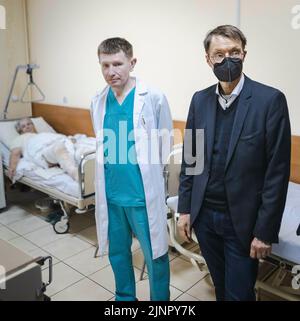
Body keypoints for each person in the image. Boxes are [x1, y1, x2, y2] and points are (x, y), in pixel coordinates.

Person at [177, 25, 291, 301]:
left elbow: (277, 172)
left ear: (244, 54)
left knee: (239, 295)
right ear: (208, 59)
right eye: (219, 54)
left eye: (234, 52)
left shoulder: (269, 100)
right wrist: (184, 208)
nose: (227, 59)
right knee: (220, 286)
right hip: (205, 217)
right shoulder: (200, 100)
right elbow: (191, 159)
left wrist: (265, 232)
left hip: (242, 221)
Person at [90, 37, 173, 301]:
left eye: (117, 64)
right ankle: (124, 299)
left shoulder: (153, 97)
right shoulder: (98, 101)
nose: (111, 71)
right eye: (105, 65)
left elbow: (164, 143)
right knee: (118, 253)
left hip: (141, 196)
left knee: (155, 255)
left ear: (132, 62)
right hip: (112, 195)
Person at [8, 117, 80, 181]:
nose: (27, 127)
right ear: (20, 131)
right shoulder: (21, 138)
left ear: (33, 125)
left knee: (74, 149)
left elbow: (59, 138)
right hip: (43, 153)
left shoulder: (43, 134)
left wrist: (68, 140)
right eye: (23, 126)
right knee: (58, 147)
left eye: (29, 124)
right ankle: (75, 174)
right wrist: (11, 168)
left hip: (58, 147)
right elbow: (15, 152)